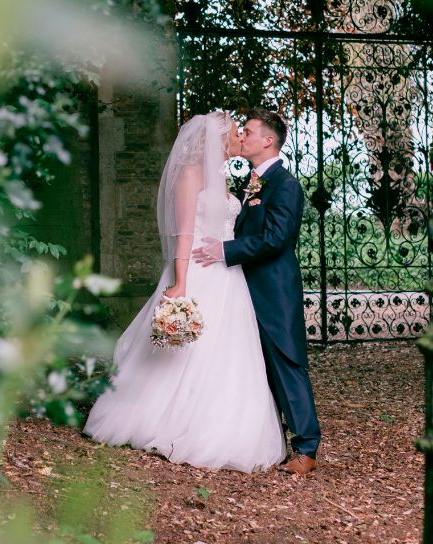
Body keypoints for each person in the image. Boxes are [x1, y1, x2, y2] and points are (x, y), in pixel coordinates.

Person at [83, 111, 285, 472]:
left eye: (244, 132)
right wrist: (180, 283)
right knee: (185, 352)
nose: (241, 138)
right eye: (237, 133)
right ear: (219, 140)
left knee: (230, 354)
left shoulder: (224, 178)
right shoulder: (190, 175)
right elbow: (185, 235)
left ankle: (223, 426)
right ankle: (164, 421)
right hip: (197, 271)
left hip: (229, 276)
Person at [193, 108, 321, 476]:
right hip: (244, 289)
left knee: (287, 364)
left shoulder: (286, 185)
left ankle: (307, 449)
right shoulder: (253, 181)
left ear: (268, 140)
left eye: (248, 132)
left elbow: (278, 239)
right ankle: (269, 440)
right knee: (256, 369)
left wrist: (224, 251)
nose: (241, 137)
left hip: (274, 291)